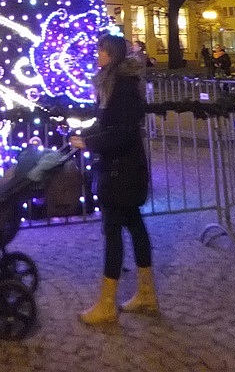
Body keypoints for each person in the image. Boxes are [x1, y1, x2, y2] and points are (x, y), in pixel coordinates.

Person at [70, 33, 157, 325]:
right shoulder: (115, 83)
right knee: (134, 224)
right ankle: (147, 294)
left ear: (110, 54)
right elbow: (108, 123)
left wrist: (89, 144)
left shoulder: (119, 85)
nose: (97, 56)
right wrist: (86, 133)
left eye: (100, 51)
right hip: (125, 168)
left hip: (121, 171)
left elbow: (122, 131)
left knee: (113, 231)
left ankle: (107, 304)